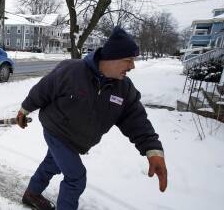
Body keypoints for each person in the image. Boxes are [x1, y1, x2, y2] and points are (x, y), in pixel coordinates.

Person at [16, 27, 167, 210]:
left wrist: (153, 151)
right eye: (128, 60)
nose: (132, 66)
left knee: (52, 164)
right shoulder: (72, 71)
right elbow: (42, 91)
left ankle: (31, 194)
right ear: (111, 58)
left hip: (77, 140)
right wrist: (24, 111)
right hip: (56, 131)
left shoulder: (123, 89)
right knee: (76, 177)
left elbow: (137, 120)